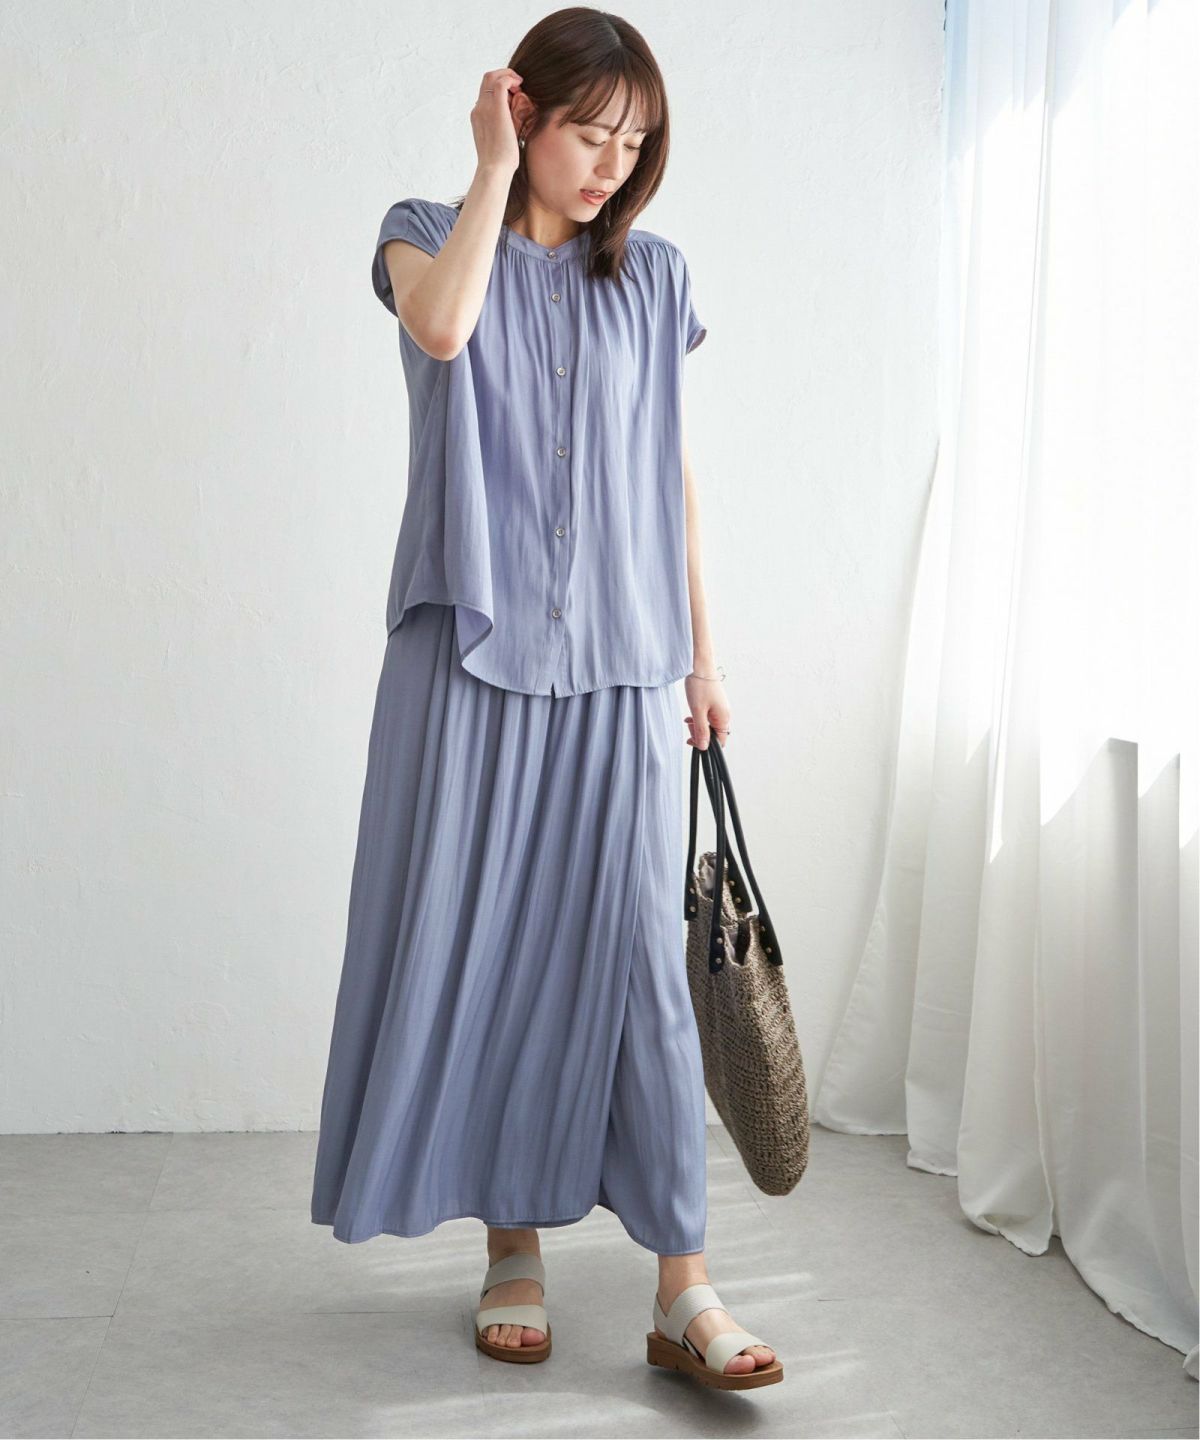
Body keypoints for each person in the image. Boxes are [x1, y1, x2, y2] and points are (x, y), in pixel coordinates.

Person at [310, 8, 782, 1391]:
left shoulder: (656, 274)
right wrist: (490, 173)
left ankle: (685, 1286)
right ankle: (508, 1250)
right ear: (525, 114)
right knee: (484, 948)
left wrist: (704, 658)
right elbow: (443, 326)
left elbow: (671, 474)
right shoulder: (422, 229)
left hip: (622, 665)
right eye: (590, 133)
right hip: (465, 658)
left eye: (636, 142)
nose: (613, 165)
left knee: (639, 964)